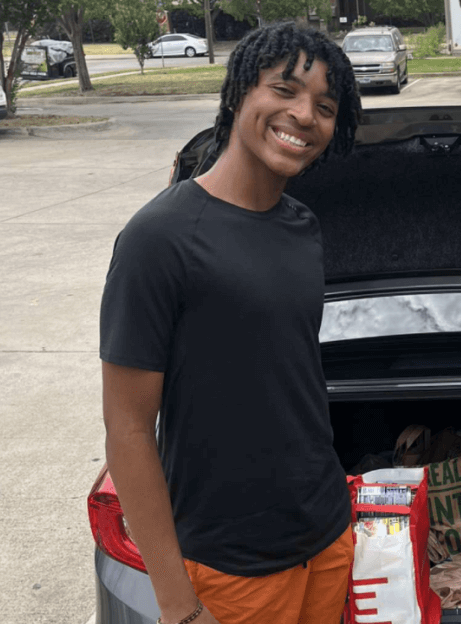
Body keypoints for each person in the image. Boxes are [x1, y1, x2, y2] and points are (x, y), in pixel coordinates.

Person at [99, 22, 362, 624]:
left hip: (326, 540)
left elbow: (287, 377)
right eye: (284, 90)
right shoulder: (158, 238)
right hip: (231, 569)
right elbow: (128, 429)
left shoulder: (303, 227)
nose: (305, 116)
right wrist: (178, 605)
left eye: (325, 107)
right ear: (240, 91)